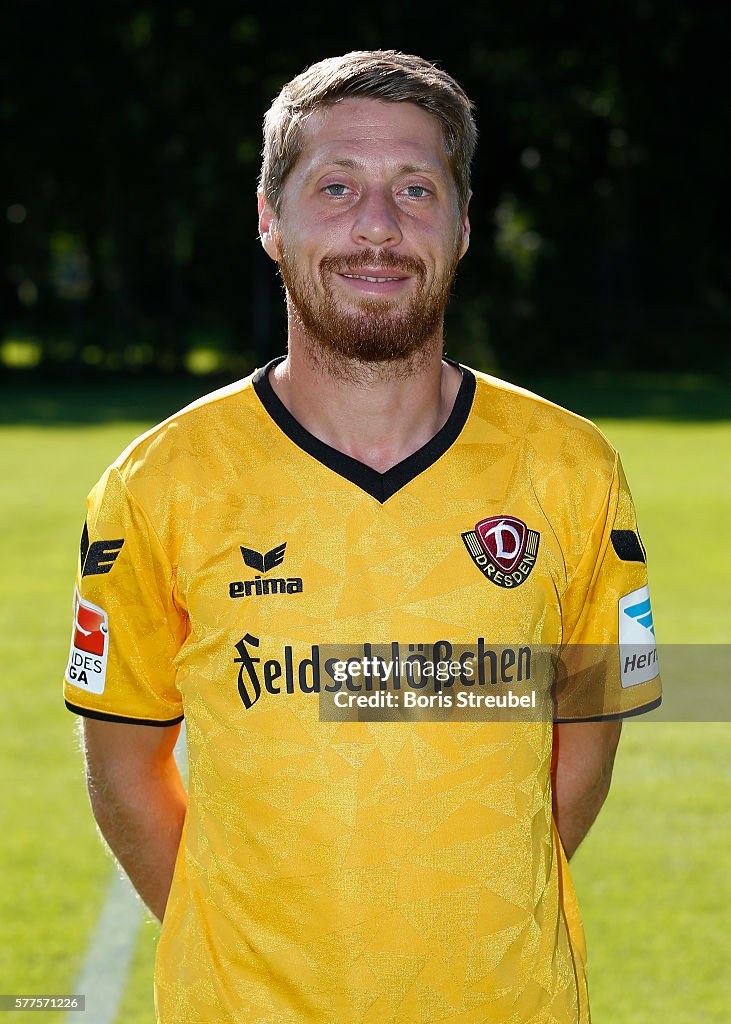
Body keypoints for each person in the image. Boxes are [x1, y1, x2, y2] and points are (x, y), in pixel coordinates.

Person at [64, 50, 661, 1024]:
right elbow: (124, 761)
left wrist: (473, 923)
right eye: (335, 187)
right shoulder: (158, 483)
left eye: (414, 190)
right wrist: (242, 948)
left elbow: (587, 732)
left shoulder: (572, 470)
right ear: (269, 219)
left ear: (462, 230)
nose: (375, 227)